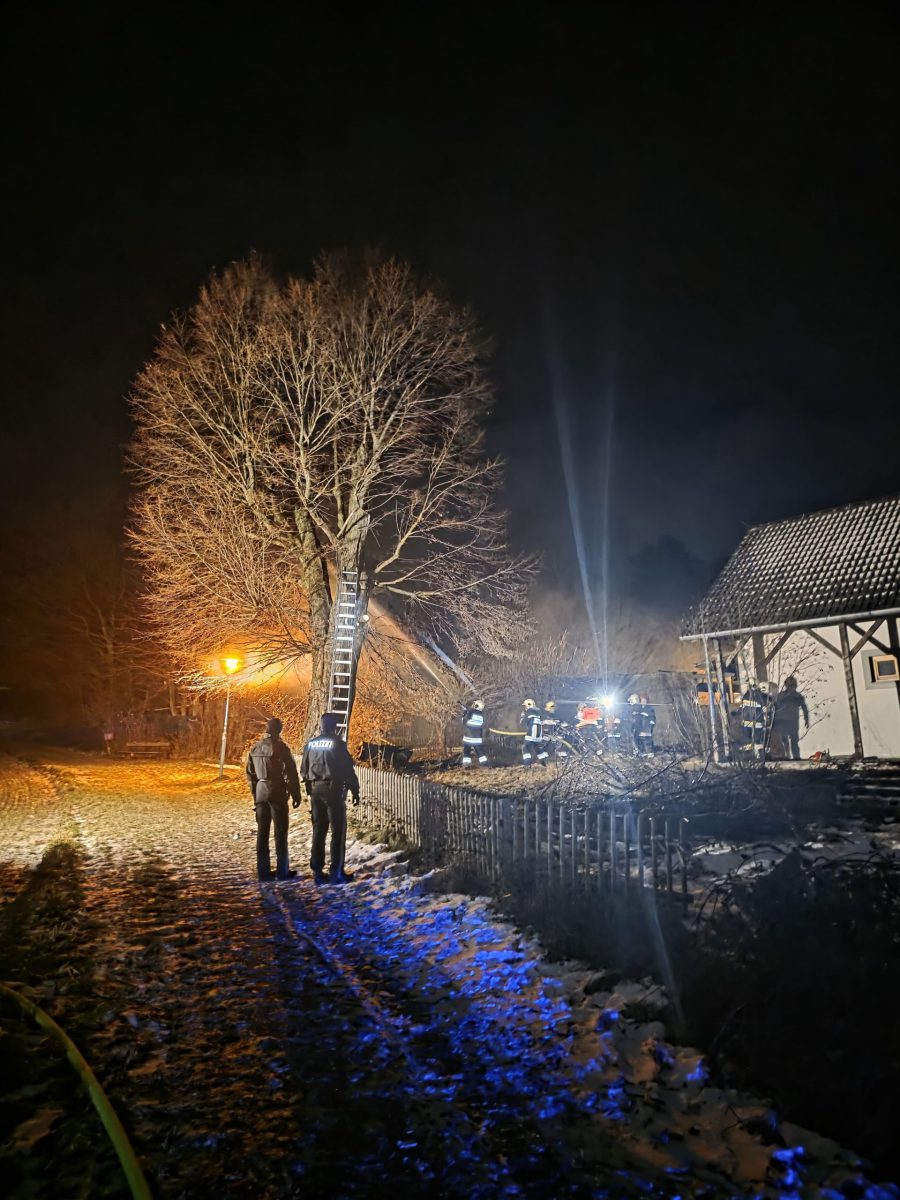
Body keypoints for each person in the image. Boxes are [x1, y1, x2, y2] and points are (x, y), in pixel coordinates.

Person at [300, 712, 361, 884]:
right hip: (333, 792)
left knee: (318, 831)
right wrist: (355, 790)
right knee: (337, 832)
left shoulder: (310, 744)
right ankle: (336, 873)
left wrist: (310, 788)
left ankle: (318, 873)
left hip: (315, 791)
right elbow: (347, 770)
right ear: (334, 727)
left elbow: (303, 769)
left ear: (321, 726)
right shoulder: (337, 744)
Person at [246, 717, 302, 882]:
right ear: (279, 730)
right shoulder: (281, 748)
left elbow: (250, 775)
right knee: (280, 832)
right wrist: (295, 793)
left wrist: (255, 794)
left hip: (260, 791)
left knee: (262, 833)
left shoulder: (255, 748)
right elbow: (291, 772)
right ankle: (282, 871)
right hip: (277, 790)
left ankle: (263, 872)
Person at [771, 676, 809, 760]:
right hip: (781, 721)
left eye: (793, 685)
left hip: (793, 721)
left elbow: (804, 708)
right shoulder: (781, 696)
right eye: (790, 685)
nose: (791, 687)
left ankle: (796, 757)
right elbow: (774, 707)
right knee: (783, 739)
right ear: (786, 685)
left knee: (794, 740)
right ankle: (786, 756)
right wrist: (773, 721)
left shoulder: (797, 696)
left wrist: (806, 719)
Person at [520, 698, 549, 766]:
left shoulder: (528, 713)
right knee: (538, 749)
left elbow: (522, 723)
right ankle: (545, 764)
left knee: (525, 748)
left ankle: (527, 765)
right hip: (539, 736)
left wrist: (522, 716)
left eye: (525, 706)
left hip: (531, 735)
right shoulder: (538, 713)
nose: (525, 708)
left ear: (528, 705)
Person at [461, 699, 489, 767]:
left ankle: (466, 764)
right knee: (480, 752)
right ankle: (484, 764)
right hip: (477, 738)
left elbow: (464, 721)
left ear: (477, 706)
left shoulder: (471, 712)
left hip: (468, 737)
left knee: (466, 751)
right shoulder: (481, 715)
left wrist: (465, 712)